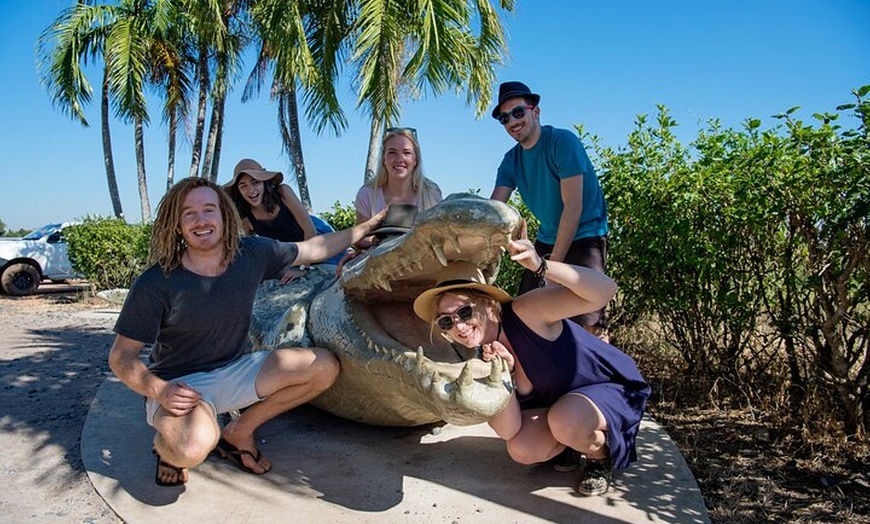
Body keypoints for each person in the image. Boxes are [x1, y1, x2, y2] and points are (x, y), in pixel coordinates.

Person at [108, 177, 386, 487]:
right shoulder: (155, 283)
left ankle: (238, 433)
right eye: (189, 213)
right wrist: (158, 390)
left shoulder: (250, 253)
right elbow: (122, 356)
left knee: (323, 367)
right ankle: (168, 449)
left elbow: (315, 248)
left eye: (209, 210)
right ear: (176, 224)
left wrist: (367, 226)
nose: (201, 220)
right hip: (179, 385)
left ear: (224, 217)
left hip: (235, 369)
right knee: (193, 446)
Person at [412, 225, 649, 496]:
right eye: (446, 321)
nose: (459, 326)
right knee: (522, 449)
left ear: (489, 305)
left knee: (565, 421)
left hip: (608, 387)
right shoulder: (482, 357)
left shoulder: (526, 312)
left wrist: (542, 266)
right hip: (566, 407)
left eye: (465, 312)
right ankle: (572, 443)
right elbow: (508, 429)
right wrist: (504, 376)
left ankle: (600, 457)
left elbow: (605, 290)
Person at [489, 81, 609, 339]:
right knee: (525, 313)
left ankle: (606, 373)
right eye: (504, 118)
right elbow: (493, 212)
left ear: (536, 111)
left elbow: (573, 207)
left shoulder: (562, 142)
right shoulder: (511, 160)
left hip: (585, 234)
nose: (512, 121)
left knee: (589, 322)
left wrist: (550, 268)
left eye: (518, 112)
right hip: (546, 238)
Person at [353, 127, 442, 251]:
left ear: (415, 160)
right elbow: (360, 238)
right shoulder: (367, 194)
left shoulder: (431, 193)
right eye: (392, 152)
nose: (399, 159)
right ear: (383, 159)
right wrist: (378, 242)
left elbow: (439, 237)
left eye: (407, 152)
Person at [224, 158, 317, 243]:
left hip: (315, 238)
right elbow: (246, 249)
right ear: (238, 191)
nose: (251, 190)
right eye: (243, 186)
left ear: (264, 182)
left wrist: (306, 261)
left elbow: (310, 230)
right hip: (287, 256)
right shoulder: (246, 220)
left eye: (255, 182)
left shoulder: (283, 192)